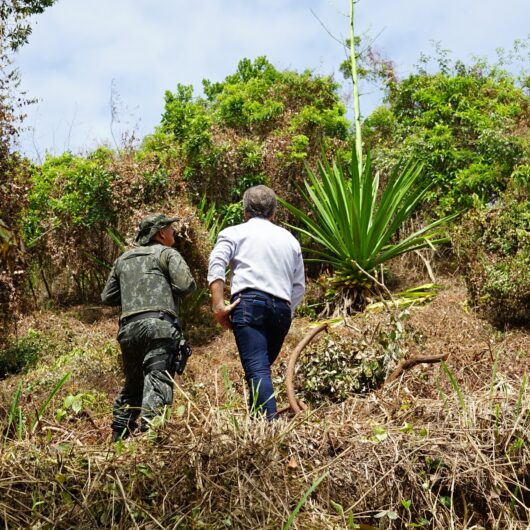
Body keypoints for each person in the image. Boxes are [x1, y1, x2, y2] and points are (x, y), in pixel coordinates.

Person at [208, 185, 305, 420]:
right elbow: (299, 286)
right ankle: (257, 425)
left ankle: (271, 430)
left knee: (257, 370)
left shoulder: (233, 233)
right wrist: (286, 311)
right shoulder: (290, 240)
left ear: (245, 212)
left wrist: (219, 305)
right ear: (273, 214)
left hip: (249, 305)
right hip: (281, 310)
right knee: (259, 370)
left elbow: (217, 262)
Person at [101, 213, 196, 441]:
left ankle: (118, 437)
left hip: (129, 331)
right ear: (161, 233)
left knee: (133, 384)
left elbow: (107, 296)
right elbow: (187, 286)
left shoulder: (123, 260)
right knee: (157, 380)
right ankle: (151, 440)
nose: (174, 232)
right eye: (171, 229)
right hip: (160, 329)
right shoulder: (167, 253)